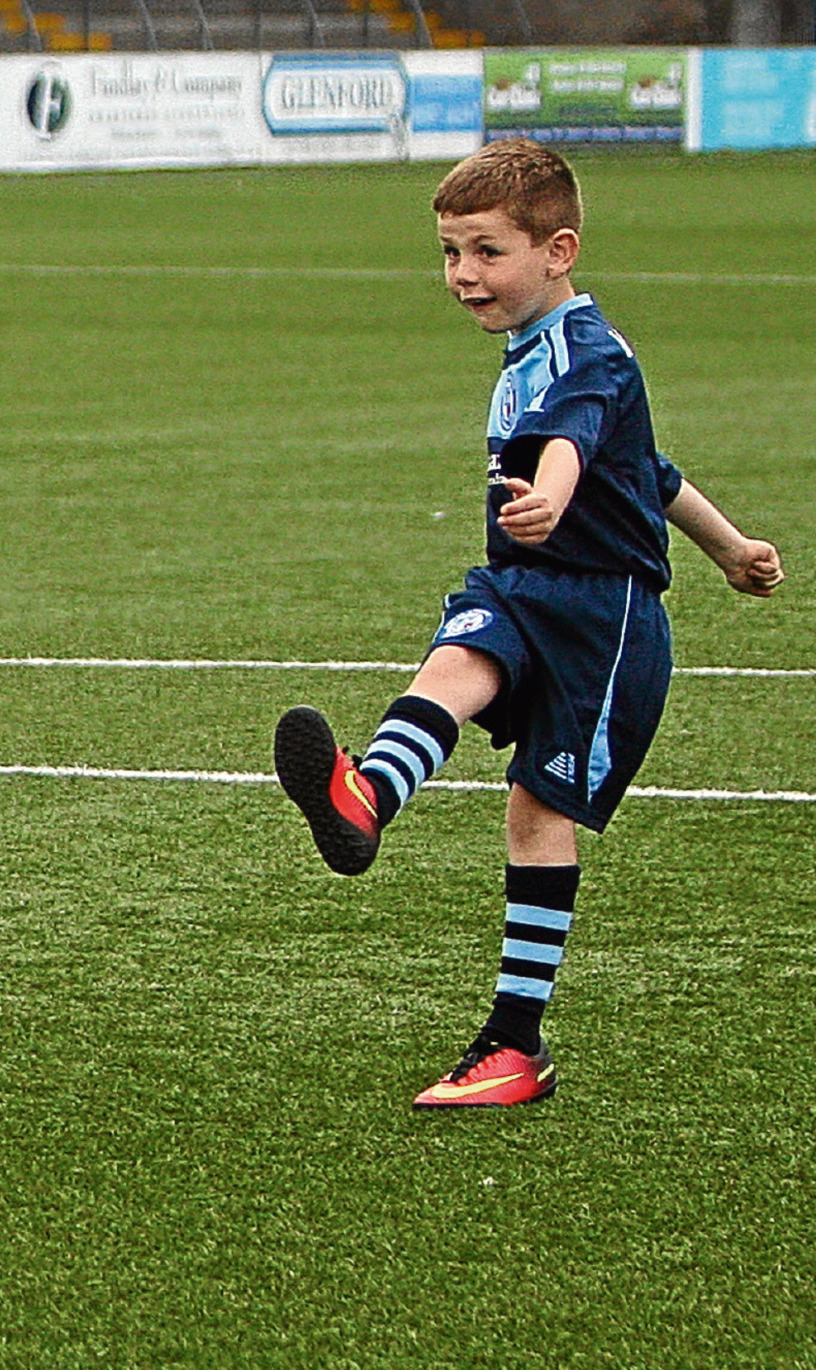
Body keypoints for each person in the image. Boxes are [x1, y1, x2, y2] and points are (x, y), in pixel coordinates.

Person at [276, 139, 782, 1108]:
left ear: (559, 250)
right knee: (457, 662)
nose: (464, 274)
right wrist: (729, 546)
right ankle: (365, 800)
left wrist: (550, 498)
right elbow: (650, 471)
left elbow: (575, 442)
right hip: (527, 582)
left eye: (487, 251)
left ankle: (516, 1044)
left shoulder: (590, 352)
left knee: (538, 813)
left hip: (605, 612)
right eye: (450, 253)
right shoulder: (535, 349)